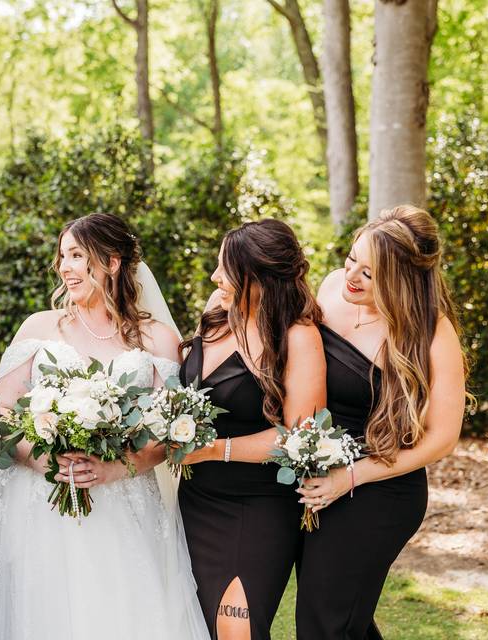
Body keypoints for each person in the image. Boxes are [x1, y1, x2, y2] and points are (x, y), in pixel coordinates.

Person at [0, 212, 210, 640]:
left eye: (77, 256)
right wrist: (40, 459)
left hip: (124, 502)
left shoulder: (156, 339)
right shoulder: (40, 327)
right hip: (39, 504)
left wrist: (117, 468)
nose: (64, 267)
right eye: (62, 256)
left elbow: (171, 427)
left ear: (111, 263)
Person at [295, 205, 467, 639]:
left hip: (381, 487)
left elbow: (442, 438)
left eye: (370, 273)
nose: (352, 275)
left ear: (402, 278)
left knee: (325, 621)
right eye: (352, 259)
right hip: (319, 477)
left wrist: (350, 477)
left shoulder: (430, 332)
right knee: (342, 616)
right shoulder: (333, 287)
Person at [177, 219, 326, 640]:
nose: (215, 277)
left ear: (259, 277)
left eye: (226, 269)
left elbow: (298, 438)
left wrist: (213, 449)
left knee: (235, 630)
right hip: (194, 499)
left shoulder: (297, 337)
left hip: (255, 506)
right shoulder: (217, 311)